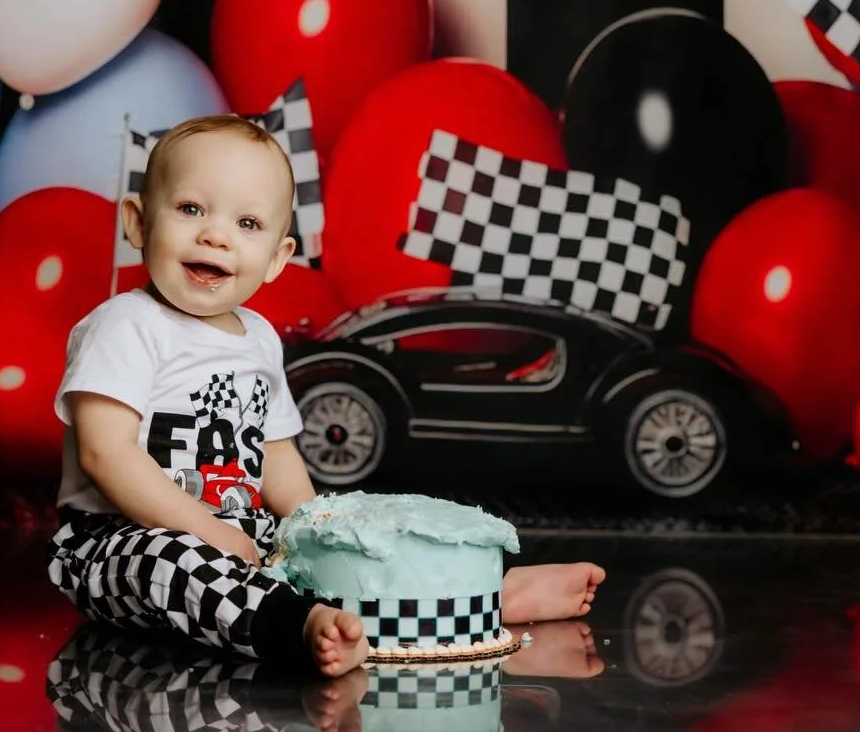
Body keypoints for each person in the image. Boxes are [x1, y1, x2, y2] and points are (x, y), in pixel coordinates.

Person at [47, 115, 606, 677]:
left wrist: (318, 533)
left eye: (246, 222)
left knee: (342, 546)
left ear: (276, 258)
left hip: (236, 530)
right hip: (116, 538)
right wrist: (208, 531)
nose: (215, 235)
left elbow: (276, 454)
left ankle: (478, 598)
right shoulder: (125, 325)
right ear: (138, 222)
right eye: (191, 209)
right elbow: (107, 454)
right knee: (170, 564)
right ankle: (294, 626)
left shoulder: (259, 339)